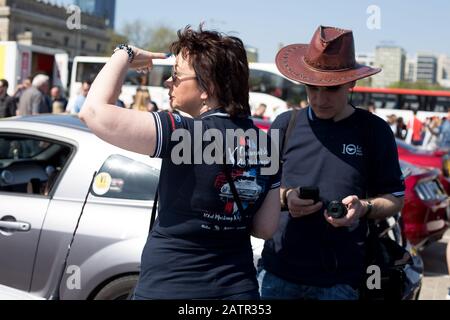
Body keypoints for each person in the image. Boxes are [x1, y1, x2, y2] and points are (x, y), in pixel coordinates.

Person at [79, 26, 281, 300]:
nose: (168, 83)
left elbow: (93, 113)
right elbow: (265, 228)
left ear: (206, 88)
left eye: (175, 75)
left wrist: (124, 54)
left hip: (171, 285)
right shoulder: (267, 143)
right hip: (238, 290)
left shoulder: (182, 131)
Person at [258, 25, 405, 300]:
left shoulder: (374, 131)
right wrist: (286, 197)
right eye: (312, 88)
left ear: (351, 84)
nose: (319, 98)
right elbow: (258, 189)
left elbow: (395, 198)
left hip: (340, 281)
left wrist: (363, 207)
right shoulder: (284, 125)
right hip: (277, 274)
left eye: (331, 89)